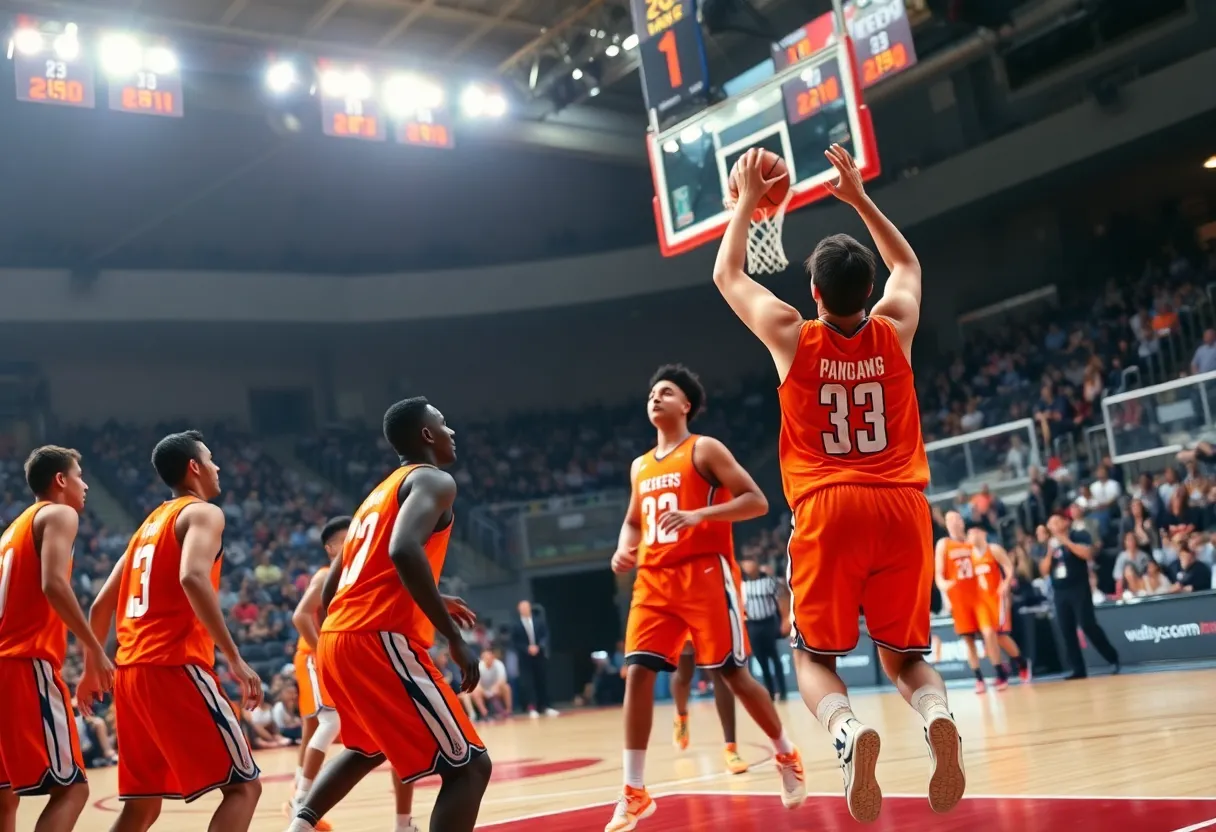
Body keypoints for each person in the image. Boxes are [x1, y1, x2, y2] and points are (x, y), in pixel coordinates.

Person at [712, 144, 965, 823]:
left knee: (814, 658)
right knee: (905, 656)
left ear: (815, 293)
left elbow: (727, 272)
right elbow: (908, 265)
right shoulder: (897, 326)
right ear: (866, 289)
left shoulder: (790, 332)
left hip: (828, 506)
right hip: (904, 505)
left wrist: (745, 202)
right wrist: (858, 198)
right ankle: (938, 713)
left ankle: (849, 733)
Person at [607, 364, 805, 832]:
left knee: (732, 673)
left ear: (686, 405)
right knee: (636, 673)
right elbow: (635, 519)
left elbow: (756, 500)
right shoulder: (639, 466)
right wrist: (623, 544)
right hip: (653, 579)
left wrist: (700, 515)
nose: (655, 397)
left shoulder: (704, 449)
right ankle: (634, 790)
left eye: (666, 392)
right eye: (652, 392)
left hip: (705, 574)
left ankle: (786, 754)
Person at [287, 397, 490, 832]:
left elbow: (330, 586)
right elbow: (402, 549)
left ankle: (298, 825)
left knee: (367, 748)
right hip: (377, 637)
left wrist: (429, 594)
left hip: (337, 637)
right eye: (443, 422)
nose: (451, 431)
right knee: (470, 768)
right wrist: (452, 635)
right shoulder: (434, 481)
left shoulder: (374, 496)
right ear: (426, 435)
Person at [82, 430, 264, 830]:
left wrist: (89, 667)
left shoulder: (145, 528)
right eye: (211, 459)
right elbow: (193, 578)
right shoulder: (202, 513)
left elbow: (99, 605)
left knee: (142, 806)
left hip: (131, 675)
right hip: (174, 665)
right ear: (194, 468)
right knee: (244, 787)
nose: (217, 468)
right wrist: (234, 657)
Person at [0, 446, 114, 832]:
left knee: (4, 798)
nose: (85, 486)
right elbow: (54, 584)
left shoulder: (12, 530)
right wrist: (94, 650)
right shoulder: (59, 513)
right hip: (23, 664)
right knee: (72, 790)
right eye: (80, 476)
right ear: (61, 480)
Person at [1040, 513, 1120, 680]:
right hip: (1060, 590)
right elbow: (1044, 570)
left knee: (1087, 625)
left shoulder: (1078, 535)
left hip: (1078, 587)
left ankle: (1112, 657)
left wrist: (1066, 541)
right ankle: (1078, 669)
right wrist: (1049, 551)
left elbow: (1087, 554)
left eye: (1055, 521)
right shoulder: (1049, 543)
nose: (1052, 525)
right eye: (1050, 523)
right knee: (1066, 629)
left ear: (1065, 522)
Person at [669, 639, 748, 775]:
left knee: (719, 670)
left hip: (709, 618)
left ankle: (731, 748)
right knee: (684, 674)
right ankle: (681, 716)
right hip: (683, 620)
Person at [935, 512, 991, 693]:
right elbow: (939, 574)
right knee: (969, 641)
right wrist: (944, 586)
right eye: (949, 519)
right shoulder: (944, 544)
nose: (953, 522)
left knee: (990, 633)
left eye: (956, 518)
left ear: (962, 521)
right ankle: (979, 678)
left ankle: (1003, 668)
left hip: (979, 596)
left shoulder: (971, 542)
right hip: (959, 599)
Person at [967, 524, 1030, 684]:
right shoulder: (968, 555)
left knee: (1000, 636)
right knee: (988, 635)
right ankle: (1000, 672)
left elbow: (1008, 566)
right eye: (970, 533)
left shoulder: (993, 549)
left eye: (975, 531)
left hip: (996, 598)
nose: (973, 535)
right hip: (980, 601)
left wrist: (1006, 582)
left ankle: (1021, 662)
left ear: (983, 533)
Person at [739, 553, 789, 701]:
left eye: (751, 562)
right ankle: (771, 693)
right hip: (752, 625)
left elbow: (781, 597)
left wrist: (784, 619)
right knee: (762, 661)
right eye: (745, 563)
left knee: (775, 658)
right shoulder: (742, 585)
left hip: (768, 623)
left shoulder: (768, 581)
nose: (748, 566)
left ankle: (783, 691)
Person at [510, 600, 558, 717]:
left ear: (530, 608)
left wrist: (539, 647)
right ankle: (532, 707)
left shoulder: (539, 622)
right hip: (524, 658)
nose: (524, 610)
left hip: (539, 655)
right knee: (528, 683)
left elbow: (545, 635)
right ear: (519, 610)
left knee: (542, 680)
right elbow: (515, 642)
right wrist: (527, 648)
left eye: (526, 607)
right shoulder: (516, 625)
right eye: (522, 608)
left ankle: (546, 706)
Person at [471, 648, 512, 720]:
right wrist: (485, 692)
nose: (487, 659)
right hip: (483, 690)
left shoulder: (499, 664)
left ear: (493, 657)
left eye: (489, 657)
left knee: (506, 687)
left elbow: (502, 680)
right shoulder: (479, 666)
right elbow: (477, 683)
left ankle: (508, 711)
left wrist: (495, 688)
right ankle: (485, 714)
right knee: (475, 691)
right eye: (485, 658)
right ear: (482, 658)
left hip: (497, 689)